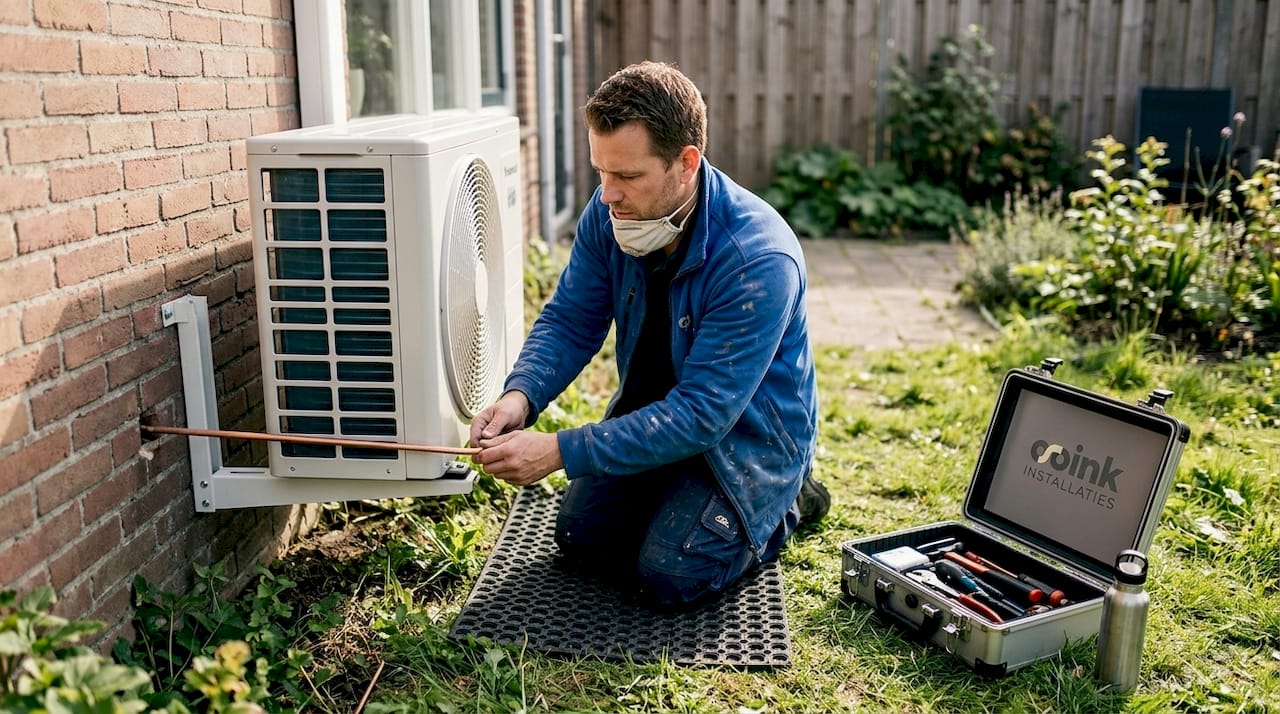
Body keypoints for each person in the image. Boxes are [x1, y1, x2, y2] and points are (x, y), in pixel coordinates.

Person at [470, 61, 828, 608]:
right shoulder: (611, 215)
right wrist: (521, 398)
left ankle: (787, 498)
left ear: (685, 164)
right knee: (582, 539)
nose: (608, 193)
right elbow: (571, 318)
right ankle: (677, 495)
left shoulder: (758, 259)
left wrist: (561, 451)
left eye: (628, 176)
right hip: (658, 421)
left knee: (669, 576)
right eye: (601, 172)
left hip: (743, 442)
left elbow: (704, 414)